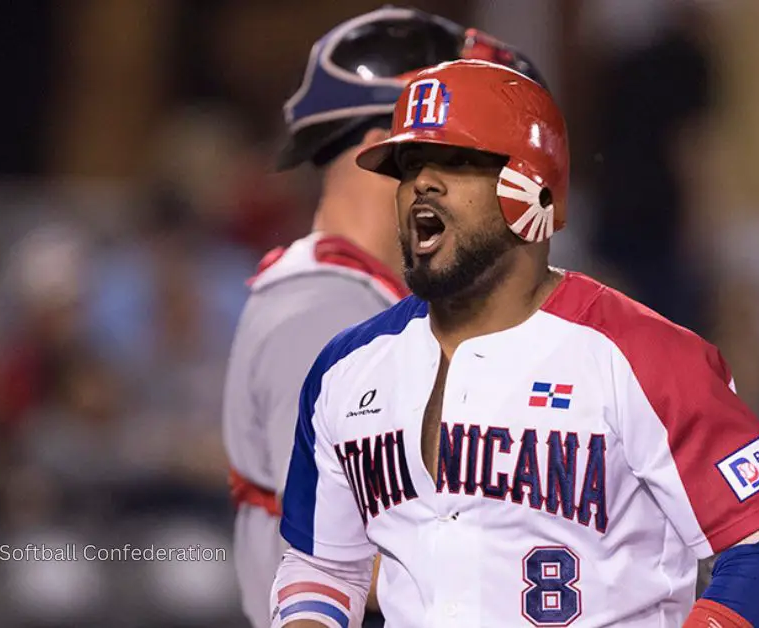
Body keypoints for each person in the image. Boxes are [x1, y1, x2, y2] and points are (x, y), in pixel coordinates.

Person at [268, 59, 759, 628]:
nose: (422, 183)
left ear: (531, 188)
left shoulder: (644, 356)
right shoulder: (346, 369)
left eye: (457, 161)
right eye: (410, 165)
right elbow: (323, 567)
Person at [221, 8, 545, 627]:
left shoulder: (363, 293)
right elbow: (339, 553)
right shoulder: (322, 308)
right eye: (462, 149)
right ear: (383, 153)